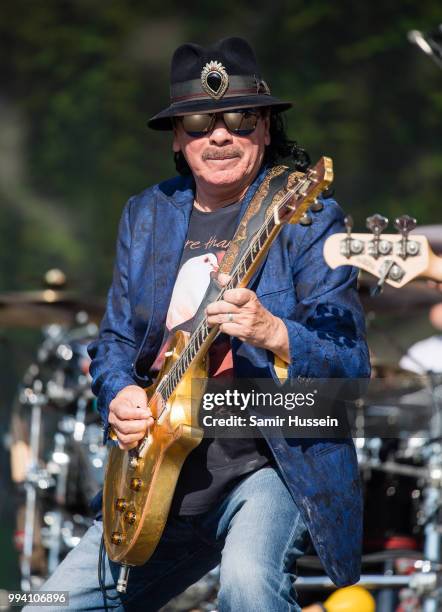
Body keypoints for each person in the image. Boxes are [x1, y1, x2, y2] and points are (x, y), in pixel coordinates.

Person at [26, 36, 370, 611]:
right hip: (156, 476)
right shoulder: (147, 213)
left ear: (264, 126)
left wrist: (273, 332)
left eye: (238, 117)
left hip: (267, 464)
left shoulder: (306, 213)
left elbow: (349, 361)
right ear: (178, 140)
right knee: (48, 605)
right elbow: (113, 342)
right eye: (198, 123)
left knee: (248, 586)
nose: (219, 135)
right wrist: (120, 394)